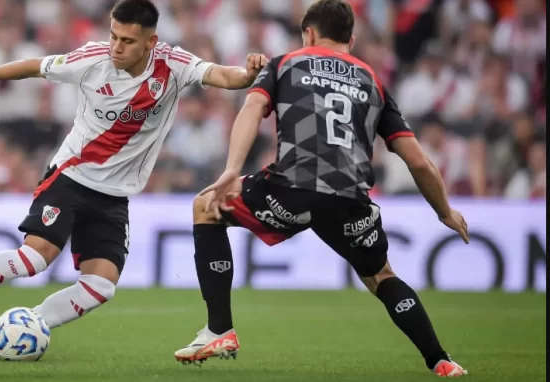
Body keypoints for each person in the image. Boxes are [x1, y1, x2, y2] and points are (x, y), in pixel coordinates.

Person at [0, 0, 268, 357]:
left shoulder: (173, 64)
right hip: (71, 177)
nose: (116, 47)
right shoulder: (92, 59)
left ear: (150, 43)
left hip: (114, 196)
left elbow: (223, 75)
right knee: (35, 258)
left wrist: (249, 74)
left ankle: (23, 326)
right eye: (113, 36)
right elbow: (35, 66)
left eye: (127, 41)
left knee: (100, 286)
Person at [174, 0, 470, 378]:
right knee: (381, 276)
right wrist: (444, 211)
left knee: (206, 206)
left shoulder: (286, 62)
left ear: (309, 33)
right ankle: (441, 361)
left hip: (292, 188)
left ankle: (219, 330)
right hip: (351, 199)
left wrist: (233, 169)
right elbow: (418, 161)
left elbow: (251, 109)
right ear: (352, 37)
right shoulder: (372, 80)